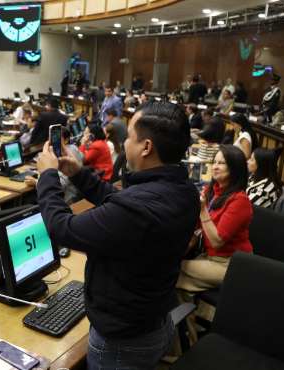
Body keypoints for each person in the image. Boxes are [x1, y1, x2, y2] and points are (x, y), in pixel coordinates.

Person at [34, 101, 199, 369]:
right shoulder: (183, 190)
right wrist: (77, 173)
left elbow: (61, 227)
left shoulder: (138, 209)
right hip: (154, 321)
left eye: (130, 137)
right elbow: (121, 201)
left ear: (146, 147)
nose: (123, 144)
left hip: (123, 343)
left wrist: (47, 177)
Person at [177, 145, 253, 292]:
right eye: (215, 162)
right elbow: (197, 226)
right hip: (210, 256)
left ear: (235, 168)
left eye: (222, 163)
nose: (215, 167)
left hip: (231, 263)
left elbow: (217, 241)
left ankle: (184, 312)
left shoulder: (240, 201)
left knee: (171, 270)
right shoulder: (211, 190)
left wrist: (203, 210)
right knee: (169, 267)